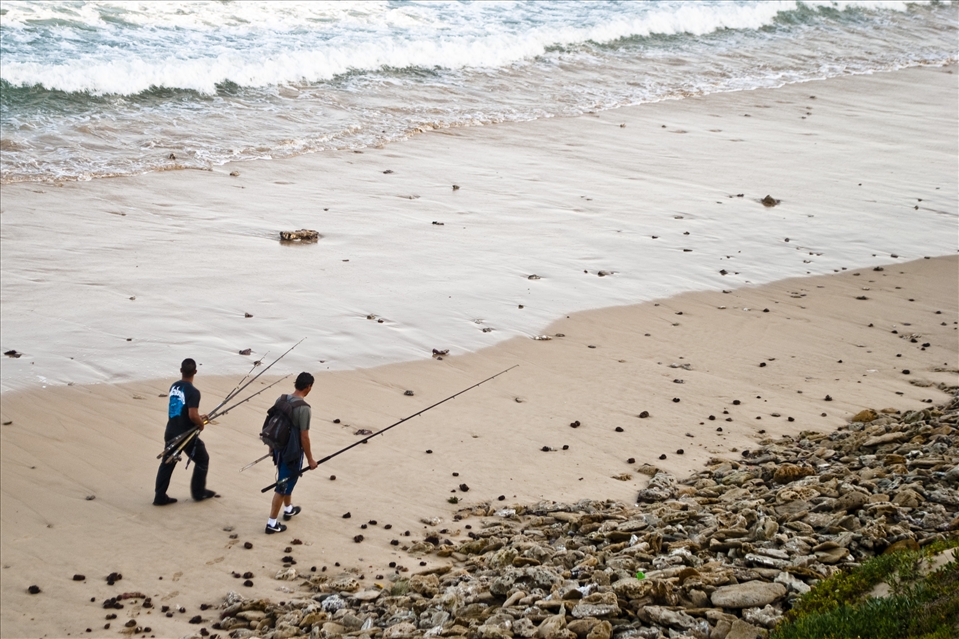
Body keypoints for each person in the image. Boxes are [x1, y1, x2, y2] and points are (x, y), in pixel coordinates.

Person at [154, 358, 216, 505]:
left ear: (181, 370)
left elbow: (181, 410)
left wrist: (199, 417)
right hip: (185, 435)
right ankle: (198, 492)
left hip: (171, 431)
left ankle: (159, 496)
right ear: (195, 371)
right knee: (202, 459)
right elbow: (192, 415)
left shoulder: (174, 386)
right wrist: (200, 424)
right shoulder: (194, 392)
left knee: (167, 463)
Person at [266, 372, 318, 534]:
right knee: (283, 484)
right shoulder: (304, 408)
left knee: (287, 480)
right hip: (292, 453)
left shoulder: (281, 400)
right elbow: (304, 437)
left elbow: (273, 424)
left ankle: (288, 509)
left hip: (278, 449)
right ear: (308, 387)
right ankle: (271, 523)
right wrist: (310, 459)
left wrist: (271, 446)